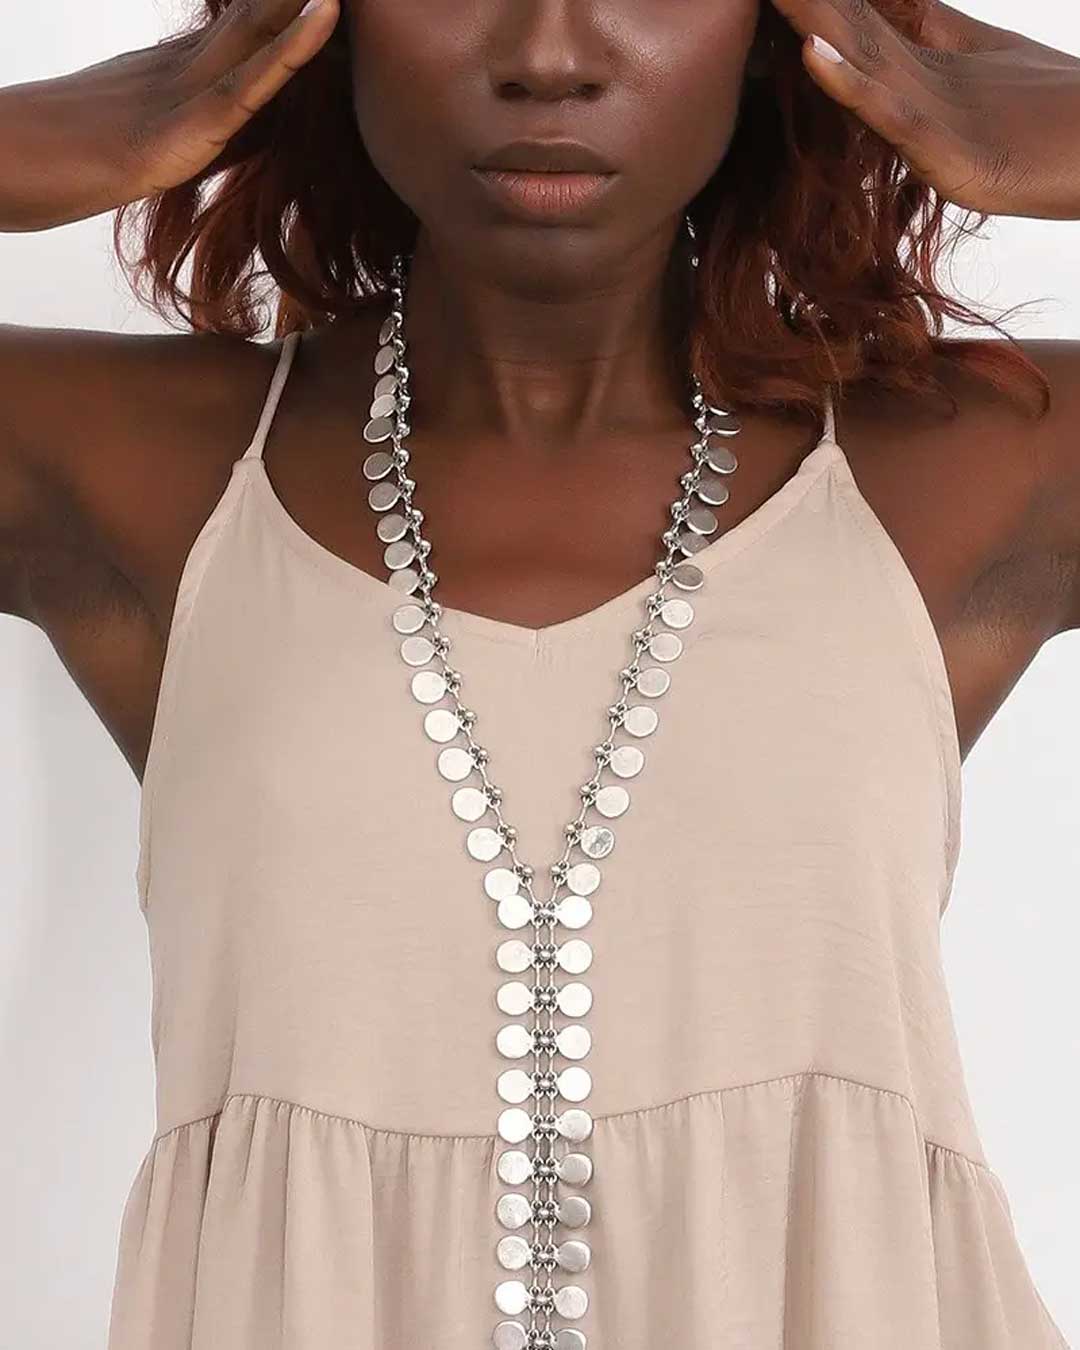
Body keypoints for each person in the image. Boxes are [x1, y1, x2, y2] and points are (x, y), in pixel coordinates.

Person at [1, 0, 1076, 1345]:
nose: (549, 55)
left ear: (771, 26)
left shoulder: (969, 473)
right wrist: (26, 137)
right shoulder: (147, 476)